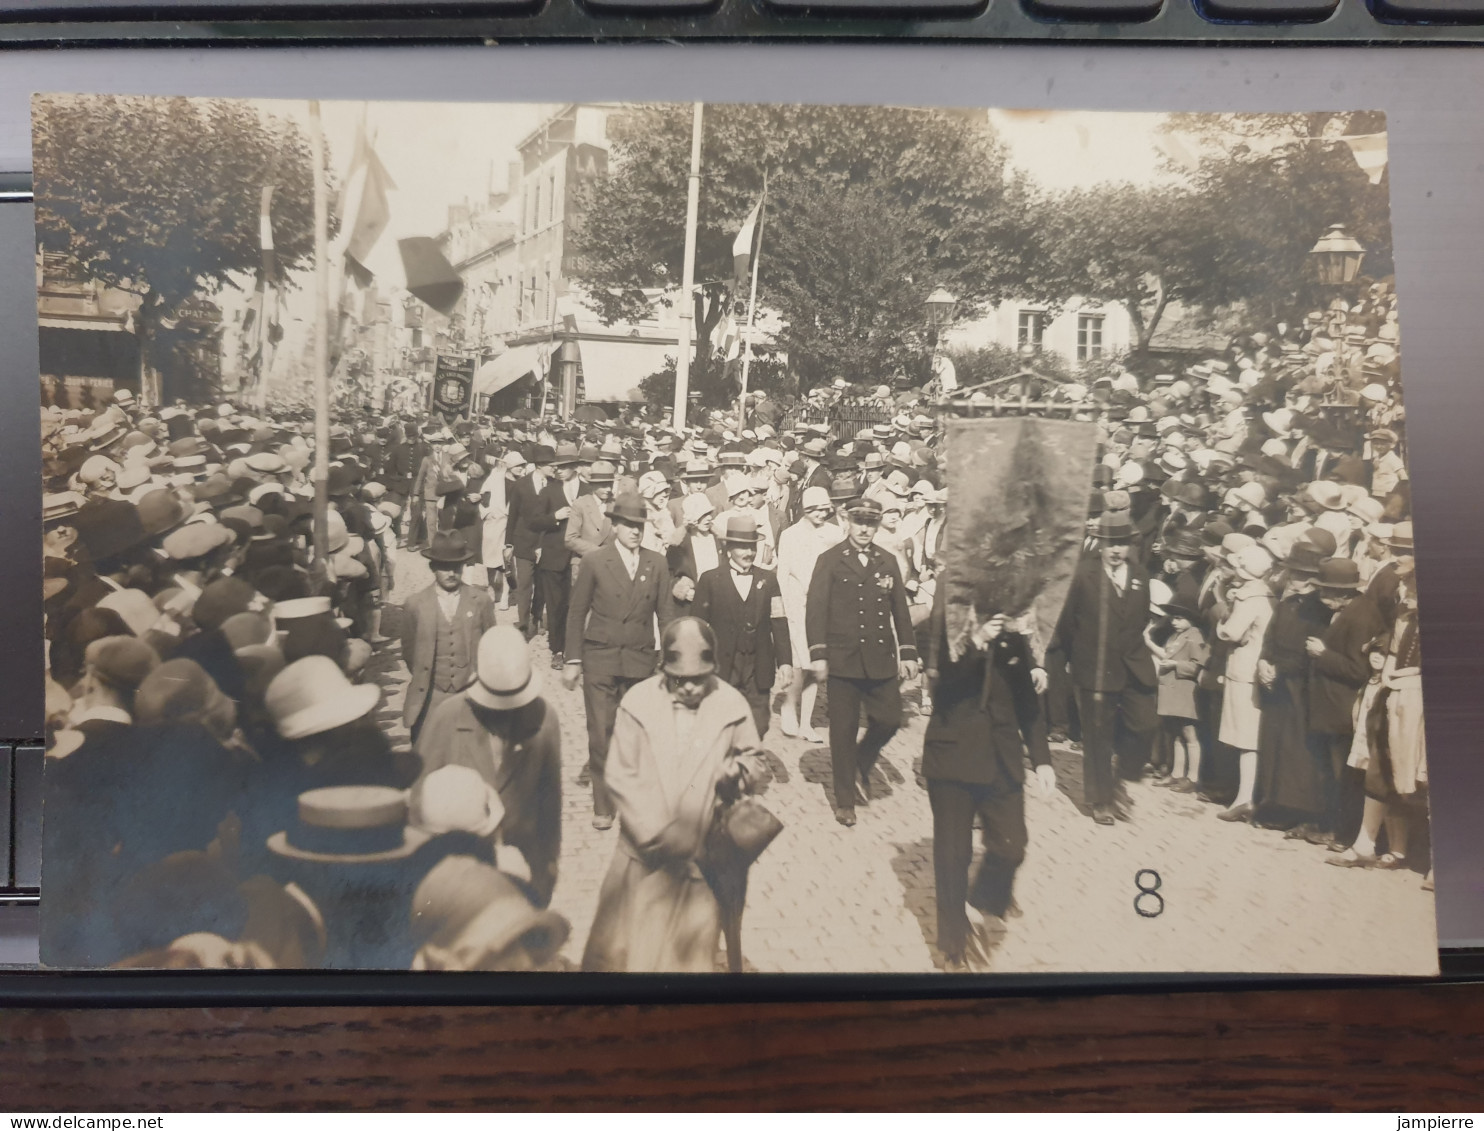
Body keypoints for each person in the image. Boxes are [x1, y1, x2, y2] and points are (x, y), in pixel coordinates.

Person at [581, 617, 772, 973]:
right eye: (679, 679)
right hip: (643, 855)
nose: (688, 688)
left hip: (704, 862)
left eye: (698, 679)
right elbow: (621, 775)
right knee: (622, 958)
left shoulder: (732, 704)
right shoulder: (638, 703)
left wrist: (740, 772)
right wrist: (659, 834)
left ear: (712, 669)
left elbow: (757, 761)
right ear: (663, 670)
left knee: (688, 961)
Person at [923, 592, 1054, 973]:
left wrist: (1042, 761)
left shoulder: (1014, 636)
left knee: (1013, 846)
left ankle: (983, 899)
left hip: (1001, 759)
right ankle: (952, 947)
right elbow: (942, 683)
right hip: (953, 756)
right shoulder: (951, 621)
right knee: (953, 855)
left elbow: (1028, 704)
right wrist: (976, 640)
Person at [414, 625, 562, 907]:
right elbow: (418, 806)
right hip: (456, 884)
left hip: (521, 877)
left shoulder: (545, 720)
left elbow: (549, 806)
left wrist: (545, 878)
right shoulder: (447, 718)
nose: (505, 714)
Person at [563, 491, 678, 830]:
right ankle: (603, 803)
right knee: (601, 733)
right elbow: (576, 612)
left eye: (639, 525)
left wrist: (669, 660)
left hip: (641, 661)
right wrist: (572, 659)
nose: (634, 531)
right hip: (600, 657)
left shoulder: (656, 563)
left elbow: (666, 615)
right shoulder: (596, 561)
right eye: (627, 524)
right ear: (614, 526)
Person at [806, 495, 920, 827]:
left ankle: (862, 761)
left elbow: (900, 608)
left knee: (890, 719)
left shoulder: (887, 561)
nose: (865, 530)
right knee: (842, 730)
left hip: (880, 657)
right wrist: (818, 653)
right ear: (847, 522)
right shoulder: (829, 560)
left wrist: (909, 651)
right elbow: (816, 610)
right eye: (859, 523)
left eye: (871, 524)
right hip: (841, 659)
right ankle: (844, 801)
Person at [1047, 511, 1157, 827]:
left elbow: (1141, 618)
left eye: (1122, 544)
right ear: (1101, 543)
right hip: (1094, 666)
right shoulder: (1083, 574)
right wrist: (1071, 659)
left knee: (1145, 724)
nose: (1116, 550)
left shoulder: (1140, 575)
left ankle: (1122, 777)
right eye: (1111, 543)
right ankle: (1101, 800)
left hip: (1134, 664)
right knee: (1098, 736)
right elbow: (1067, 622)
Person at [691, 514, 792, 738]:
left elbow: (779, 621)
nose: (749, 553)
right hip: (723, 667)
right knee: (721, 726)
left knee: (759, 725)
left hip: (758, 666)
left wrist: (785, 662)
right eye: (742, 547)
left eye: (752, 547)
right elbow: (696, 627)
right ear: (728, 549)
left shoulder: (768, 580)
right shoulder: (710, 580)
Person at [400, 530, 498, 743]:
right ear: (433, 567)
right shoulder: (415, 605)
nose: (451, 573)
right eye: (444, 567)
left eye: (456, 567)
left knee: (470, 756)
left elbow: (491, 648)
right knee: (428, 759)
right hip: (430, 696)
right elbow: (409, 652)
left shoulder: (480, 601)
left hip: (470, 695)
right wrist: (430, 677)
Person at [1213, 544, 1277, 822]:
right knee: (1247, 737)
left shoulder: (1249, 599)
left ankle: (1245, 798)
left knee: (1246, 738)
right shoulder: (1266, 595)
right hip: (1252, 669)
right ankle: (1244, 795)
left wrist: (1221, 610)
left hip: (1244, 671)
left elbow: (1231, 633)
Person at [775, 485, 842, 742]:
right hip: (796, 604)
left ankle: (807, 722)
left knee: (815, 662)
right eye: (815, 510)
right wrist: (781, 607)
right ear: (805, 509)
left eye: (824, 510)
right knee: (798, 661)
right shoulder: (790, 535)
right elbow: (783, 573)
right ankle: (789, 706)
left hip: (825, 606)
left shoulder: (835, 533)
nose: (820, 515)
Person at [529, 442, 582, 669]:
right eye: (555, 466)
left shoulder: (587, 491)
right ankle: (557, 650)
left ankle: (575, 649)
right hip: (553, 557)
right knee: (556, 605)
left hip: (579, 557)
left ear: (574, 466)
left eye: (563, 466)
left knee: (576, 605)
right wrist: (555, 516)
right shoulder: (548, 490)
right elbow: (533, 521)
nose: (557, 470)